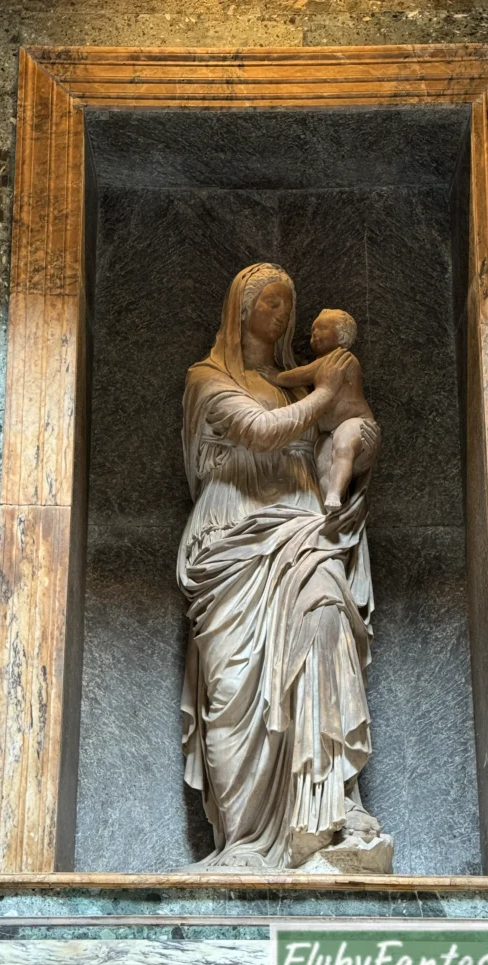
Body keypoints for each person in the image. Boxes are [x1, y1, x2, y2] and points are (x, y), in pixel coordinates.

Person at [177, 263, 382, 871]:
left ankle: (328, 809)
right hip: (232, 536)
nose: (280, 314)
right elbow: (259, 431)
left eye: (285, 305)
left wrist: (358, 432)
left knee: (325, 623)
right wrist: (326, 393)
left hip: (301, 527)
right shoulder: (206, 380)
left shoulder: (297, 383)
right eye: (268, 302)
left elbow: (353, 426)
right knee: (232, 682)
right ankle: (242, 840)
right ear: (240, 310)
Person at [270, 308, 380, 512]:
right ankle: (330, 505)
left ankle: (334, 494)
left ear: (342, 336)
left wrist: (276, 377)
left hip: (355, 422)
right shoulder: (324, 361)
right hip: (327, 433)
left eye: (323, 328)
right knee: (323, 465)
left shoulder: (340, 358)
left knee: (344, 446)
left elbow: (302, 374)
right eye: (313, 330)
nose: (315, 334)